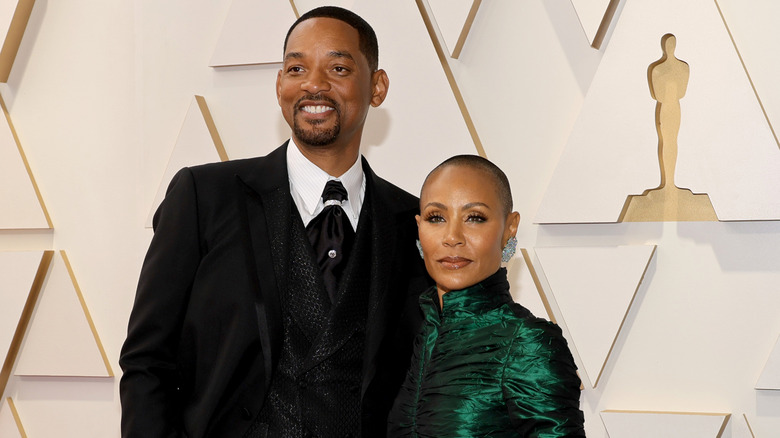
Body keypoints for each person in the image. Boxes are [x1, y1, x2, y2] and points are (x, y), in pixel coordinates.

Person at [119, 7, 429, 438]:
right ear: (280, 83)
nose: (313, 84)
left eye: (338, 67)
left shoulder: (412, 222)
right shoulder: (203, 196)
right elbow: (147, 361)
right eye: (296, 68)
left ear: (377, 87)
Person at [387, 155, 585, 437]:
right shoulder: (423, 335)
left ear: (510, 227)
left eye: (475, 218)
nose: (452, 237)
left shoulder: (528, 343)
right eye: (437, 218)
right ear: (419, 227)